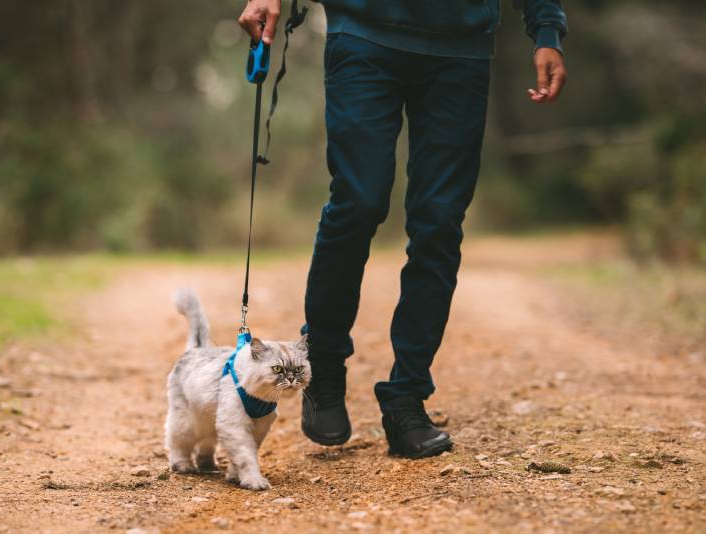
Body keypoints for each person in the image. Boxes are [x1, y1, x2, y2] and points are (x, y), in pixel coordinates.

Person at [238, 0, 567, 459]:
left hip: (461, 50)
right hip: (364, 33)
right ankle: (326, 366)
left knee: (439, 222)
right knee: (358, 201)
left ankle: (406, 398)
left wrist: (546, 29)